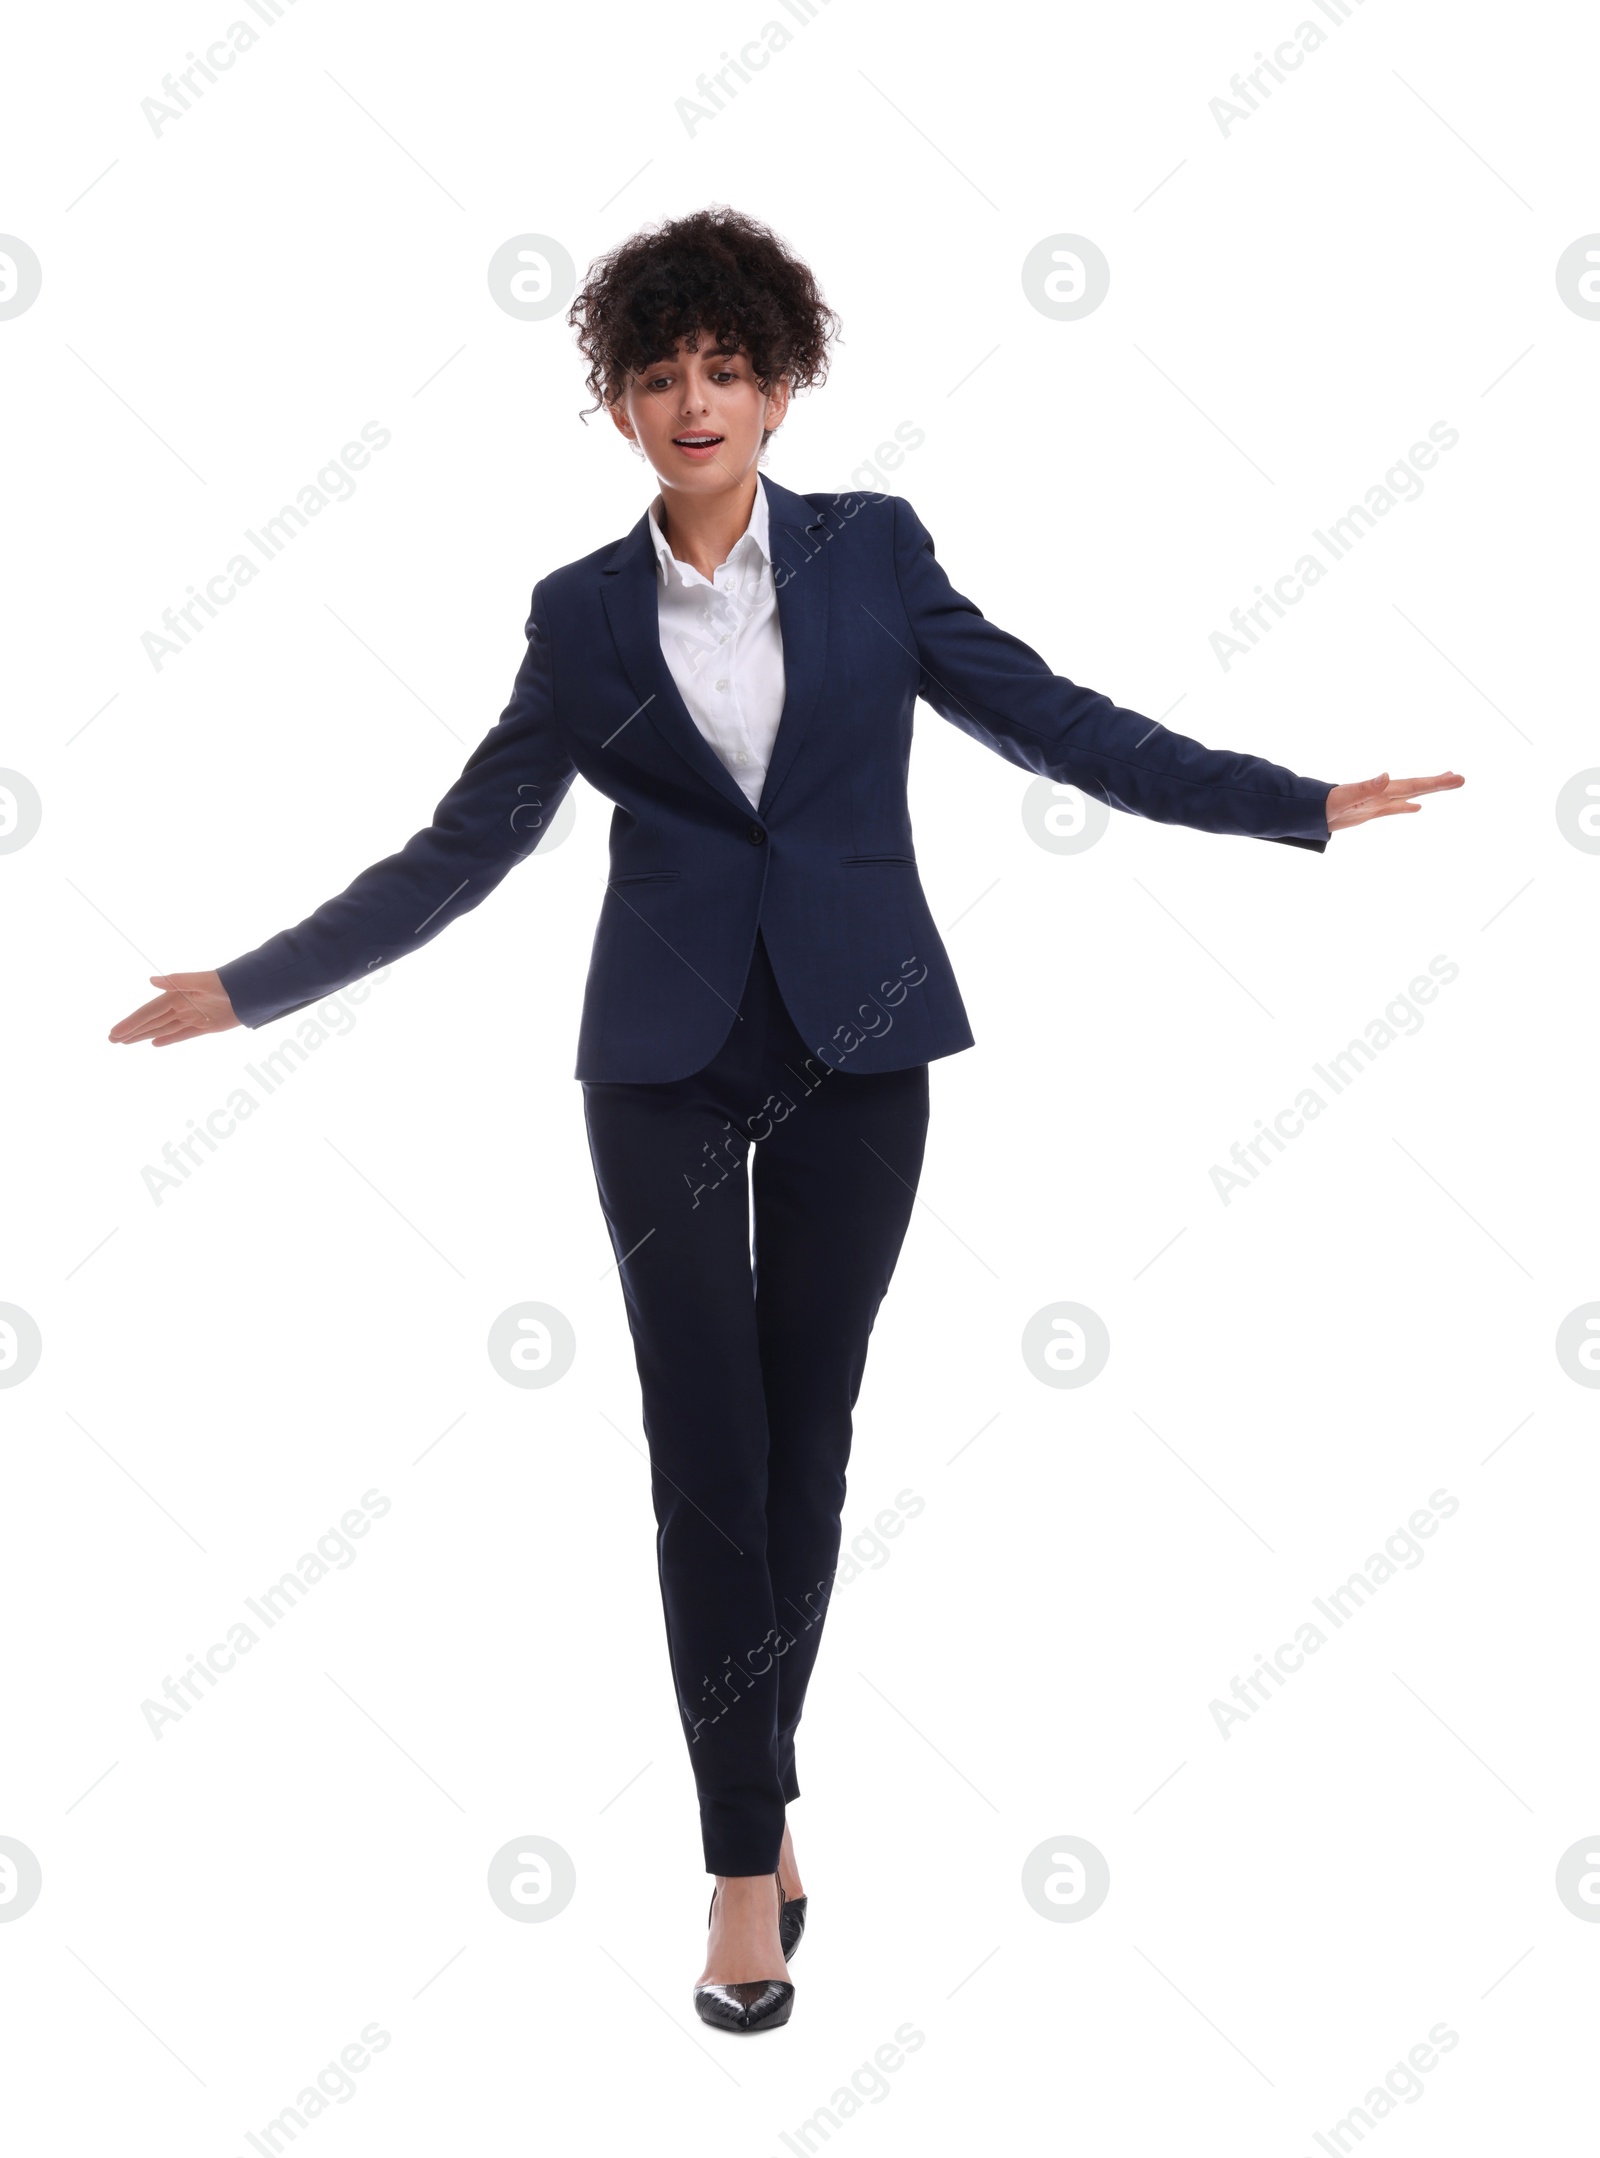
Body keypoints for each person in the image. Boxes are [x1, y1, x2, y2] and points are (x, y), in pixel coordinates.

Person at [109, 206, 1464, 2034]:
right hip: (659, 1060)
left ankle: (764, 1788)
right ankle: (743, 1862)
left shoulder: (873, 555)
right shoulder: (579, 616)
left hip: (862, 1032)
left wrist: (1292, 801)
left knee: (807, 1445)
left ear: (778, 382)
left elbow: (1052, 719)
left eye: (722, 371)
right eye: (656, 376)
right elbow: (464, 848)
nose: (692, 402)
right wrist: (250, 984)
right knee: (706, 1454)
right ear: (617, 405)